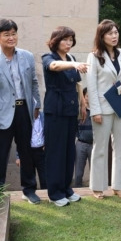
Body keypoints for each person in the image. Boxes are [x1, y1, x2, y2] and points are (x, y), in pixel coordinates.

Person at [0, 19, 41, 204]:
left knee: (27, 152)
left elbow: (33, 82)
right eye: (6, 34)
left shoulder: (27, 56)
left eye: (13, 33)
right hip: (1, 114)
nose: (11, 37)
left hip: (25, 110)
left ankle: (29, 189)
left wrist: (37, 105)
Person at [42, 26, 87, 206]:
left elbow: (77, 84)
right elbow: (54, 66)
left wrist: (83, 104)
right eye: (65, 39)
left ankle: (67, 189)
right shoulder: (49, 57)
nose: (68, 43)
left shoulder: (72, 57)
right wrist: (74, 65)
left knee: (69, 151)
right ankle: (55, 192)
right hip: (55, 109)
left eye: (71, 40)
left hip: (71, 108)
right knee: (55, 151)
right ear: (56, 40)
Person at [86, 19, 121, 199]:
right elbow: (92, 86)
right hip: (102, 108)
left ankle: (119, 186)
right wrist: (95, 111)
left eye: (116, 32)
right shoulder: (94, 56)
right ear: (101, 36)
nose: (114, 36)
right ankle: (97, 187)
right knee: (100, 147)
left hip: (120, 104)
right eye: (110, 33)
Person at [15, 110, 46, 189]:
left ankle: (47, 194)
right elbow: (20, 137)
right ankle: (31, 194)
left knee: (45, 178)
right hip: (28, 151)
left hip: (41, 151)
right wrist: (18, 156)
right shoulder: (25, 117)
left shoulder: (44, 117)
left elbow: (49, 131)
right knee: (29, 179)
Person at [74, 88, 93, 188]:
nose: (89, 98)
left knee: (94, 171)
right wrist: (79, 135)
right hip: (81, 144)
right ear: (84, 97)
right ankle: (77, 189)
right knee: (78, 172)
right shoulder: (80, 112)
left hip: (93, 144)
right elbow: (74, 127)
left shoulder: (96, 111)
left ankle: (93, 189)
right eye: (87, 96)